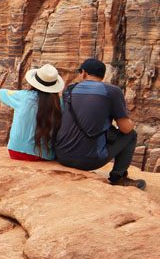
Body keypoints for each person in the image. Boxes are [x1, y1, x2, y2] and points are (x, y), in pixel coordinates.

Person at [54, 58, 146, 189]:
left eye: (79, 72)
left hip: (61, 155)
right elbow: (125, 129)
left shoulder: (69, 90)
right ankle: (118, 177)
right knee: (131, 135)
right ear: (103, 75)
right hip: (89, 161)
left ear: (84, 73)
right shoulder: (112, 91)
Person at [0, 63, 64, 161]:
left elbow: (3, 92)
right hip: (44, 155)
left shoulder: (22, 96)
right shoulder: (59, 103)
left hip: (16, 151)